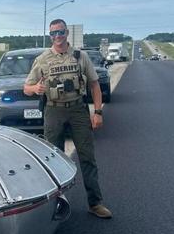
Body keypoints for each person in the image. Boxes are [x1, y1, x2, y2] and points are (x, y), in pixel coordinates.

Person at [23, 18, 112, 218]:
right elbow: (26, 88)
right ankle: (57, 203)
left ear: (66, 33)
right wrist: (35, 88)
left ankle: (95, 203)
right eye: (53, 33)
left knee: (87, 156)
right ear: (50, 35)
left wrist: (97, 112)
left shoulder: (80, 57)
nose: (57, 37)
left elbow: (95, 85)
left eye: (60, 32)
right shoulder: (43, 59)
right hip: (53, 111)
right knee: (53, 158)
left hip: (78, 109)